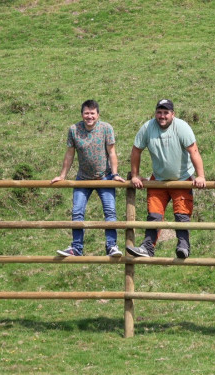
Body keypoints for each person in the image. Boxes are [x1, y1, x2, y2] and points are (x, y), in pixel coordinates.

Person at [125, 99, 206, 259]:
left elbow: (194, 151)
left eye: (165, 113)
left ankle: (183, 246)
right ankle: (147, 247)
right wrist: (135, 175)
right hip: (159, 179)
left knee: (182, 214)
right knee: (154, 214)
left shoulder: (182, 127)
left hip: (181, 178)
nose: (162, 116)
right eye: (159, 112)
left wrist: (201, 176)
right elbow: (136, 151)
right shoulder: (148, 128)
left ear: (172, 114)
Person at [52, 100, 125, 257]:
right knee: (77, 212)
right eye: (86, 113)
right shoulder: (74, 130)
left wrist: (115, 174)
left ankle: (111, 246)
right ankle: (76, 247)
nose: (89, 116)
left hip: (104, 177)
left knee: (110, 212)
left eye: (92, 113)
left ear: (98, 115)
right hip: (82, 178)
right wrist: (62, 175)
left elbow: (112, 152)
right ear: (82, 114)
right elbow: (70, 154)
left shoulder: (106, 128)